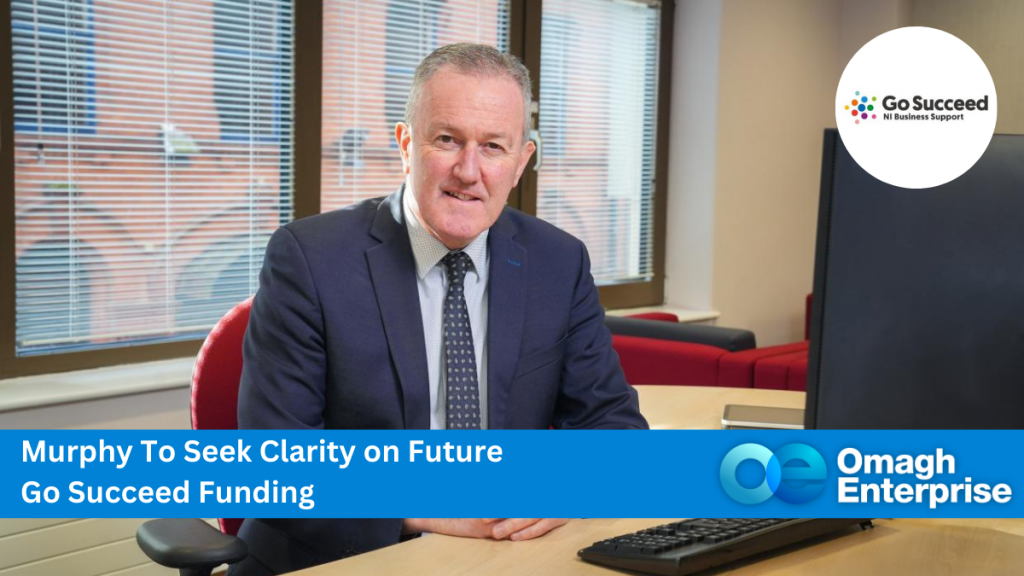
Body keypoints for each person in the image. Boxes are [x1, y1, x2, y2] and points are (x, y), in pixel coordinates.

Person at [232, 43, 647, 576]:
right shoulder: (310, 259)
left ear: (521, 162)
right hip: (339, 556)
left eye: (494, 146)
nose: (468, 171)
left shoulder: (558, 262)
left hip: (501, 554)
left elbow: (614, 427)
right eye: (447, 139)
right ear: (406, 143)